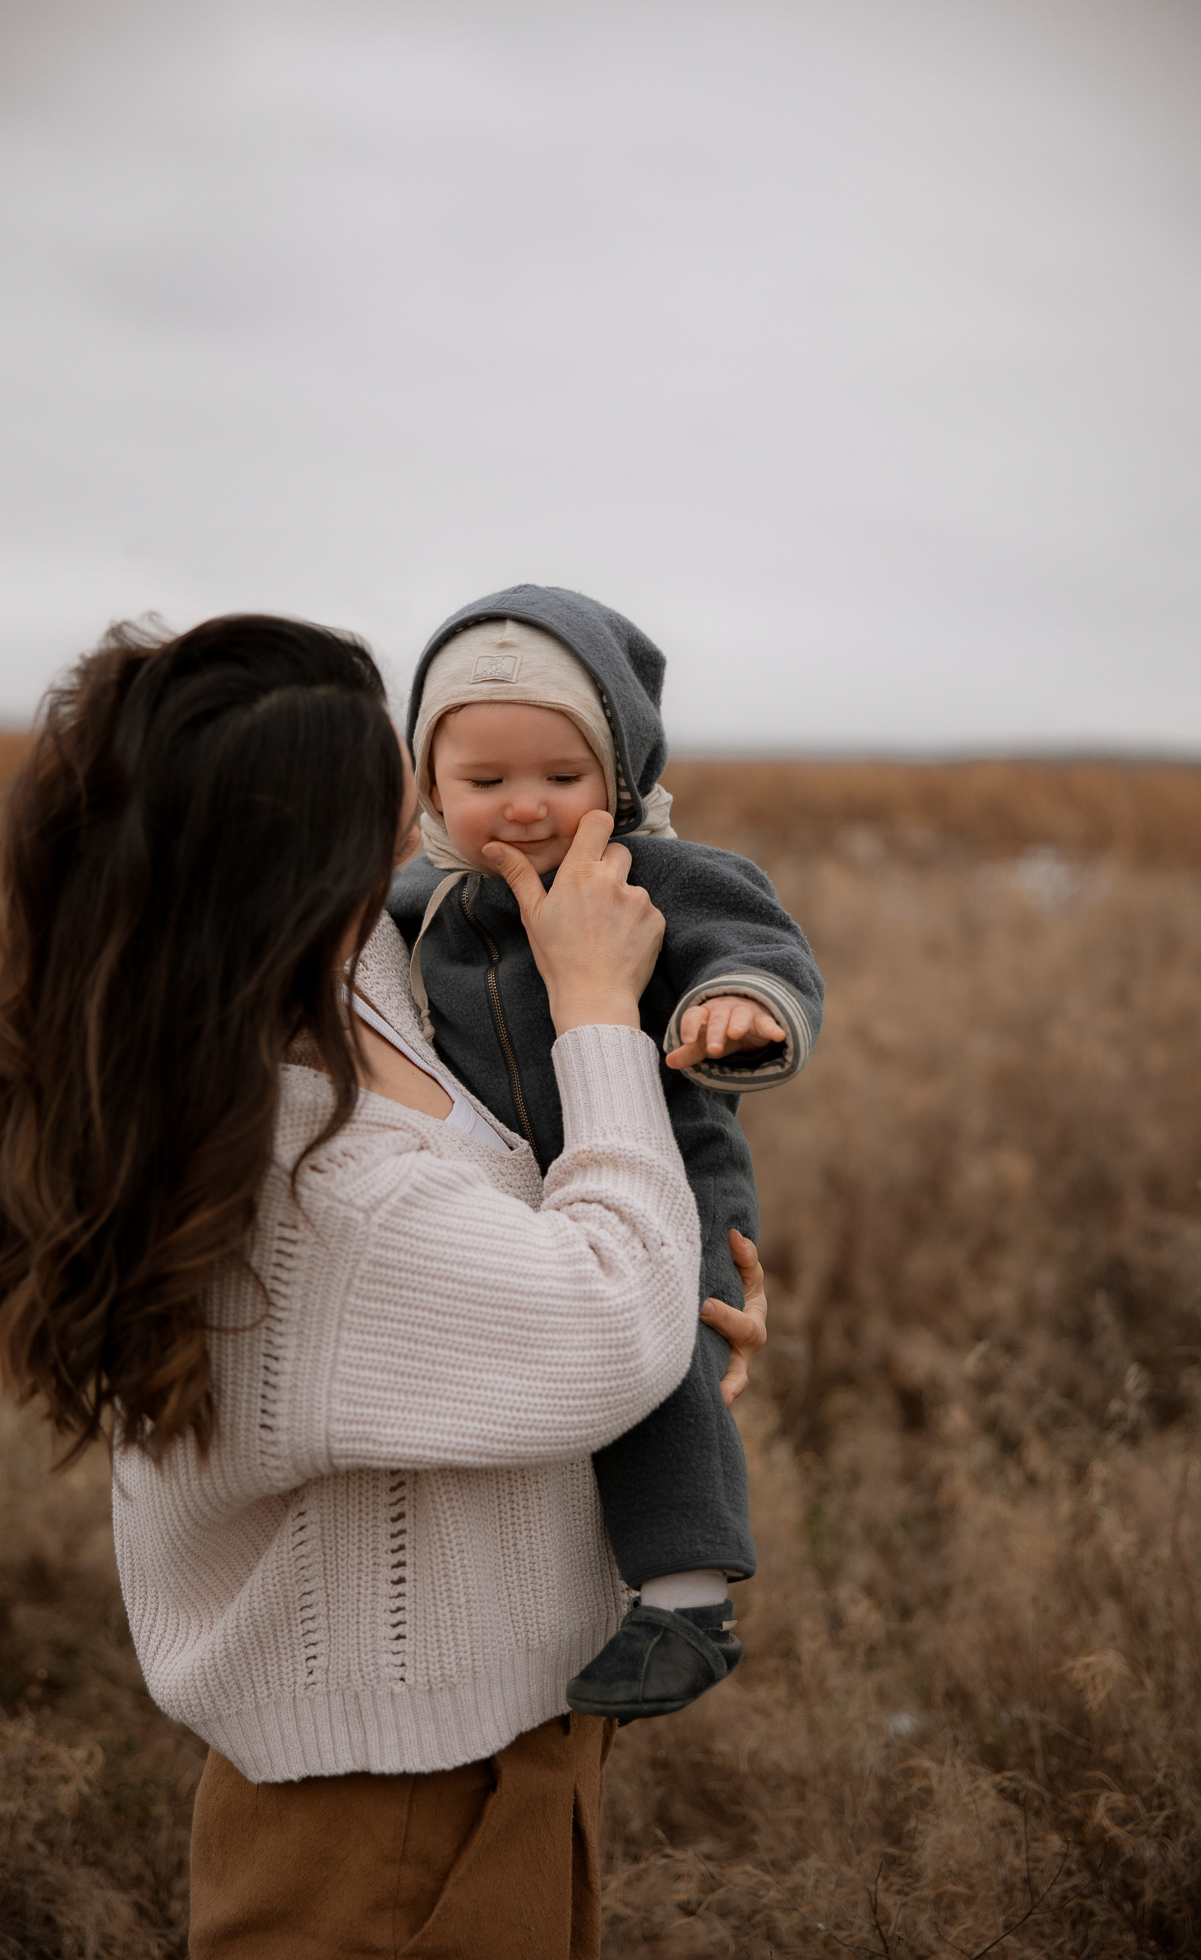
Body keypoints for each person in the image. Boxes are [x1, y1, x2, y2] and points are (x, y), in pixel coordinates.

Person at [0, 612, 767, 1960]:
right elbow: (601, 1327)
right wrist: (598, 1012)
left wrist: (689, 1256)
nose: (415, 782)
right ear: (307, 844)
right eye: (384, 757)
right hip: (385, 1822)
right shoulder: (314, 1174)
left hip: (500, 1751)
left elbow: (568, 1247)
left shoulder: (346, 977)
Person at [388, 584, 823, 1723]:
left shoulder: (652, 874)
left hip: (668, 1167)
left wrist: (737, 1005)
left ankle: (685, 1601)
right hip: (514, 1199)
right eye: (485, 782)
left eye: (563, 777)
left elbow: (759, 945)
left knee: (659, 1351)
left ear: (621, 780)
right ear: (428, 784)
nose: (525, 808)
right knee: (555, 1379)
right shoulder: (413, 905)